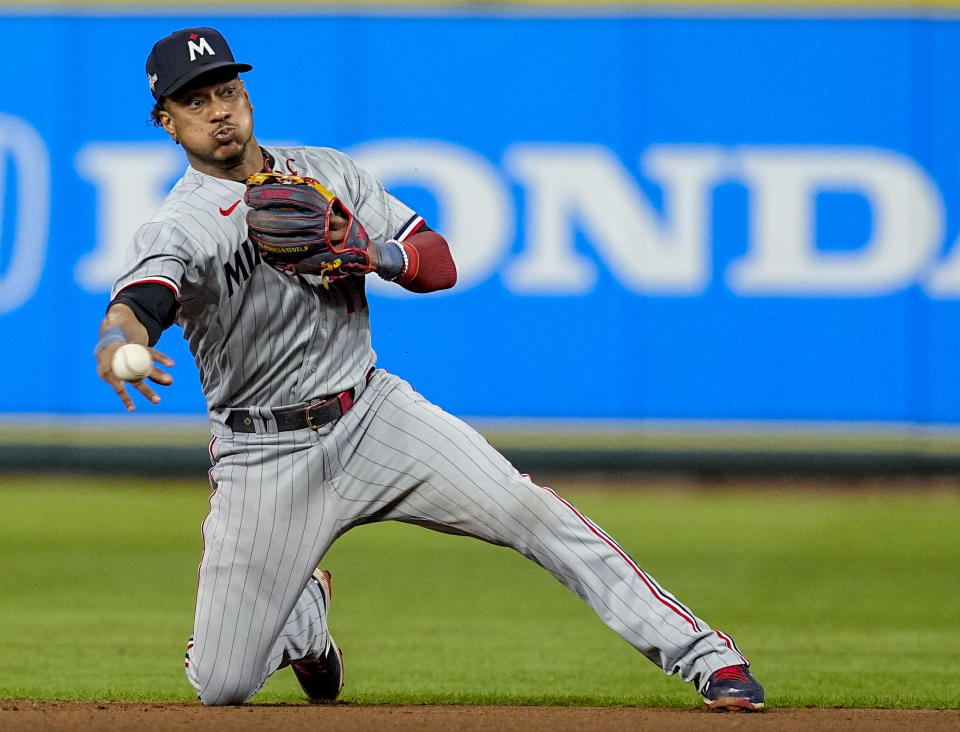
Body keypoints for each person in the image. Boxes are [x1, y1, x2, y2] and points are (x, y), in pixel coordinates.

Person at [94, 27, 765, 712]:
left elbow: (437, 261)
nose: (220, 111)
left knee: (527, 509)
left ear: (248, 95)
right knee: (221, 685)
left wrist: (372, 252)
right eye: (196, 101)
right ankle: (304, 618)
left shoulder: (327, 171)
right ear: (167, 123)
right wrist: (120, 342)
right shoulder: (179, 227)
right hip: (261, 454)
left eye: (229, 91)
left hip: (372, 415)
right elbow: (142, 303)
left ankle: (709, 658)